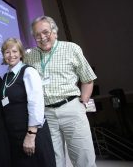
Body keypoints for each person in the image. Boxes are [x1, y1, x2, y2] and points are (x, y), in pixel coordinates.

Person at [24, 16, 97, 167]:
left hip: (71, 109)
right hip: (46, 114)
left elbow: (88, 79)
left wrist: (82, 103)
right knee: (54, 160)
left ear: (55, 32)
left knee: (83, 158)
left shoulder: (72, 48)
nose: (42, 37)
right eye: (37, 35)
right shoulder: (29, 56)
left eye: (45, 32)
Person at [1, 38, 56, 167]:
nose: (11, 55)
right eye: (7, 52)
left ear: (21, 54)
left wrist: (31, 135)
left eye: (15, 51)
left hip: (32, 133)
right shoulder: (6, 77)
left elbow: (36, 103)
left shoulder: (28, 71)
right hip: (16, 134)